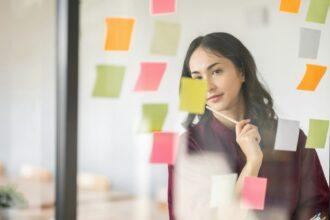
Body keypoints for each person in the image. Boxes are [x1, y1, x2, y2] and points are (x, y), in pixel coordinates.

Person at [168, 32, 329, 220]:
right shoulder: (189, 146)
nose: (208, 87)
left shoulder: (290, 136)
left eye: (216, 71)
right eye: (197, 78)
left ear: (242, 71)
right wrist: (253, 162)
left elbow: (320, 207)